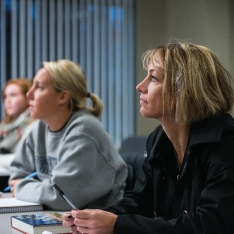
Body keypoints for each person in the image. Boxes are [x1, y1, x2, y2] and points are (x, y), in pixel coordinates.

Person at [62, 42, 234, 234]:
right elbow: (140, 200)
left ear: (184, 89)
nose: (139, 86)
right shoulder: (158, 139)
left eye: (153, 78)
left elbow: (210, 225)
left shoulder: (226, 143)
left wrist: (117, 225)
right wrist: (94, 219)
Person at [8, 59, 127, 210]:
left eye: (38, 87)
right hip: (55, 213)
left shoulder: (83, 131)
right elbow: (17, 177)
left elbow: (62, 198)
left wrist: (23, 189)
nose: (29, 94)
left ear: (63, 97)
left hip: (94, 222)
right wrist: (37, 189)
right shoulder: (39, 127)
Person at [0, 78, 33, 154]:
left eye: (13, 95)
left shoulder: (33, 125)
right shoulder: (3, 125)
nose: (8, 100)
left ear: (27, 97)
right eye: (5, 96)